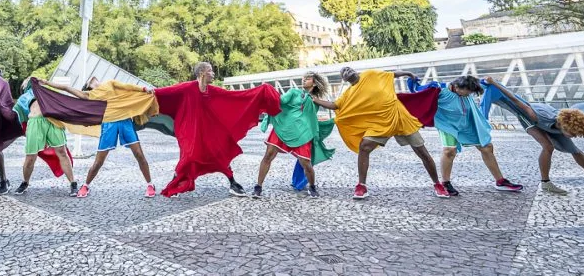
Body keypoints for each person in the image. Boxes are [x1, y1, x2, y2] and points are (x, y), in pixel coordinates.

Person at [316, 67, 450, 200]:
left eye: (348, 68)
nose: (347, 70)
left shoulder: (370, 74)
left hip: (399, 117)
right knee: (364, 147)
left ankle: (437, 184)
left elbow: (392, 74)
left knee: (422, 152)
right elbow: (334, 105)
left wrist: (408, 73)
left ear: (356, 71)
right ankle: (361, 186)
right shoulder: (348, 93)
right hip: (379, 125)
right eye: (343, 71)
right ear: (344, 79)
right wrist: (315, 100)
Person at [152, 62, 280, 197]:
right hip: (188, 129)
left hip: (207, 129)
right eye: (210, 71)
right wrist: (148, 92)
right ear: (202, 73)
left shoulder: (212, 90)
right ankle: (175, 182)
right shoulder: (187, 87)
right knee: (189, 156)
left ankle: (233, 183)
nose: (213, 74)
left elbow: (236, 96)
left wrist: (261, 91)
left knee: (219, 153)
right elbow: (165, 92)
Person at [484, 76, 584, 195]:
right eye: (573, 133)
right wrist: (494, 83)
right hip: (532, 119)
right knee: (548, 146)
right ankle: (546, 183)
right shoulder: (535, 114)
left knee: (575, 150)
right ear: (565, 126)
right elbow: (514, 99)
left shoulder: (568, 122)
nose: (574, 136)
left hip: (553, 124)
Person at [409, 75, 522, 195]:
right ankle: (445, 183)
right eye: (467, 92)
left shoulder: (468, 87)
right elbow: (417, 91)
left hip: (468, 122)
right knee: (449, 151)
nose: (469, 95)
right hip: (448, 125)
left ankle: (500, 181)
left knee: (487, 147)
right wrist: (411, 79)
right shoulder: (439, 89)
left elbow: (483, 84)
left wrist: (488, 81)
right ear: (457, 87)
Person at [49, 76, 156, 198]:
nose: (93, 78)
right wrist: (46, 83)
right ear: (89, 85)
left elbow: (128, 87)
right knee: (99, 161)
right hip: (108, 124)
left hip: (125, 120)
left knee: (139, 154)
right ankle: (86, 185)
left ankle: (150, 184)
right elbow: (66, 88)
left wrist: (143, 88)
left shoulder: (110, 83)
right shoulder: (89, 95)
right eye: (90, 80)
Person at [253, 71, 335, 199]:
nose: (304, 80)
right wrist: (267, 93)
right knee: (268, 155)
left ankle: (312, 186)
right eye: (303, 78)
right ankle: (258, 187)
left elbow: (329, 109)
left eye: (308, 79)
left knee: (306, 163)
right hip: (283, 128)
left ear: (314, 83)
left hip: (302, 133)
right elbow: (281, 100)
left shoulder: (315, 101)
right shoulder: (293, 92)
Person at [14, 79, 78, 196]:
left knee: (62, 152)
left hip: (52, 120)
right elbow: (18, 117)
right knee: (30, 157)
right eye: (26, 80)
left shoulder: (46, 92)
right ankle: (25, 182)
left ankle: (73, 183)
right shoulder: (23, 98)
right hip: (35, 122)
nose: (30, 80)